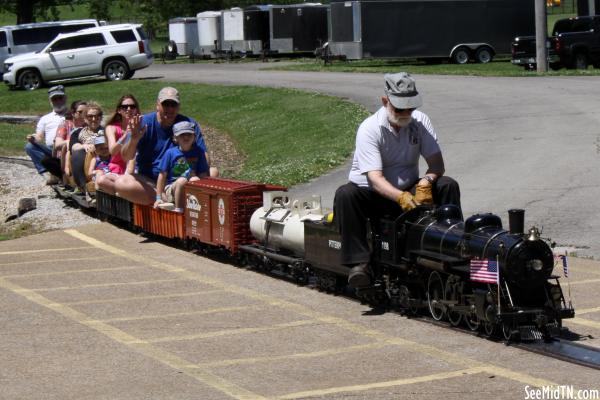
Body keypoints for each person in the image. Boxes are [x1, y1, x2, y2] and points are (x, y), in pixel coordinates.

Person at [333, 72, 462, 288]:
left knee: (447, 184)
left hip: (407, 186)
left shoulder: (420, 122)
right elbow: (375, 179)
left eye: (409, 108)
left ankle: (452, 243)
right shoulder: (369, 129)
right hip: (372, 193)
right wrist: (401, 197)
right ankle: (359, 263)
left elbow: (437, 165)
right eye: (399, 108)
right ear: (385, 101)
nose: (405, 113)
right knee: (345, 194)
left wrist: (427, 181)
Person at [115, 86, 214, 205]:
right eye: (166, 104)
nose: (170, 109)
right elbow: (126, 156)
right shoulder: (144, 123)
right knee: (121, 183)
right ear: (157, 105)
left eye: (174, 105)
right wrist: (134, 140)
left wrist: (195, 174)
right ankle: (165, 198)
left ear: (179, 107)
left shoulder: (188, 124)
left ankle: (176, 198)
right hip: (151, 180)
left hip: (183, 178)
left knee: (213, 172)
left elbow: (204, 156)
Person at [154, 121, 209, 212]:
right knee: (182, 180)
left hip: (190, 185)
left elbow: (203, 173)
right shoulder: (170, 153)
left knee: (195, 179)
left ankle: (199, 207)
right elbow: (162, 176)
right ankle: (179, 210)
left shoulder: (199, 152)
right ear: (175, 138)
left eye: (189, 134)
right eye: (182, 134)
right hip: (172, 187)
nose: (186, 137)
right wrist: (158, 197)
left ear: (194, 137)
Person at [95, 94, 139, 194]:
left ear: (136, 109)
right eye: (125, 107)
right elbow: (113, 151)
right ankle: (123, 192)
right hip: (117, 168)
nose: (129, 109)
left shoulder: (141, 126)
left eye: (132, 106)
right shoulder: (112, 128)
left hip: (135, 169)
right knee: (101, 181)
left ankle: (123, 192)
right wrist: (125, 135)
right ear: (119, 110)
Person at [25, 85, 67, 184]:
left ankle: (62, 174)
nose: (58, 101)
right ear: (50, 101)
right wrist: (33, 138)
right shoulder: (45, 118)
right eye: (54, 99)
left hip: (66, 147)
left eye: (60, 98)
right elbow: (39, 136)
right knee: (29, 146)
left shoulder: (72, 114)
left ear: (65, 98)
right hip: (51, 149)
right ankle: (48, 173)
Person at [68, 102, 105, 193]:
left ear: (101, 117)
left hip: (103, 159)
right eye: (90, 116)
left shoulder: (106, 131)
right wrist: (84, 145)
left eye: (97, 116)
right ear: (85, 118)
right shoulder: (78, 133)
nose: (94, 119)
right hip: (85, 161)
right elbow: (73, 146)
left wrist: (96, 144)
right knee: (78, 152)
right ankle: (82, 185)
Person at [55, 100, 87, 186]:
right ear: (73, 113)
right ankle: (64, 175)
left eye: (86, 112)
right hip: (63, 157)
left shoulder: (88, 126)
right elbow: (57, 145)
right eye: (80, 112)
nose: (83, 115)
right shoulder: (65, 124)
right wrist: (71, 142)